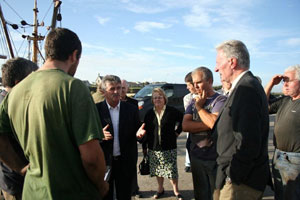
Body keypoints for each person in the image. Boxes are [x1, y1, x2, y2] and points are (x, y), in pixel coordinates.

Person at [0, 28, 108, 199]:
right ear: (74, 55)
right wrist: (101, 185)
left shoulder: (15, 92)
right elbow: (91, 158)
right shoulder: (73, 87)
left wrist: (20, 167)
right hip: (71, 192)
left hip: (32, 192)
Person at [213, 40, 270, 200]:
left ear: (232, 62)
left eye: (218, 63)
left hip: (241, 184)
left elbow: (248, 142)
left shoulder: (246, 90)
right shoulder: (243, 86)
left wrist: (232, 177)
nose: (216, 68)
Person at [96, 75, 146, 200]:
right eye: (112, 89)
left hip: (125, 162)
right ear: (103, 91)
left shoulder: (131, 109)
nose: (116, 91)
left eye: (119, 88)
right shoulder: (96, 110)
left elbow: (139, 132)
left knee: (125, 195)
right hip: (105, 162)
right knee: (105, 195)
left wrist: (139, 136)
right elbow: (87, 135)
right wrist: (99, 135)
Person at [182, 67, 227, 200]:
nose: (195, 86)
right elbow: (185, 125)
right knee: (200, 195)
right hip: (196, 157)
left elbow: (214, 123)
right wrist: (208, 123)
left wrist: (199, 108)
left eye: (199, 82)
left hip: (215, 158)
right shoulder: (192, 101)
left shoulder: (220, 100)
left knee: (216, 195)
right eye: (194, 83)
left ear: (210, 81)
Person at [0, 57, 38, 200]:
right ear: (19, 83)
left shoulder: (5, 101)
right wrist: (21, 168)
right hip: (16, 184)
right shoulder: (8, 106)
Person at [264, 65, 300, 200]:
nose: (285, 84)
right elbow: (262, 104)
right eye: (283, 81)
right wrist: (271, 84)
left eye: (288, 80)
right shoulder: (285, 100)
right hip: (278, 156)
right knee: (279, 194)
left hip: (295, 159)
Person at [142, 88, 184, 200]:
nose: (157, 99)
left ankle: (176, 191)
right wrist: (144, 147)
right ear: (152, 100)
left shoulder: (172, 111)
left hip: (169, 146)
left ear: (164, 99)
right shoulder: (149, 113)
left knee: (171, 171)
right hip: (154, 147)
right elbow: (145, 130)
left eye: (160, 97)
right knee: (158, 170)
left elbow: (183, 119)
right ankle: (160, 188)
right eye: (155, 97)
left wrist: (177, 132)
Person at [183, 72, 197, 173]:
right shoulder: (187, 98)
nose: (187, 87)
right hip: (192, 129)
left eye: (188, 84)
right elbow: (189, 116)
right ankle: (189, 163)